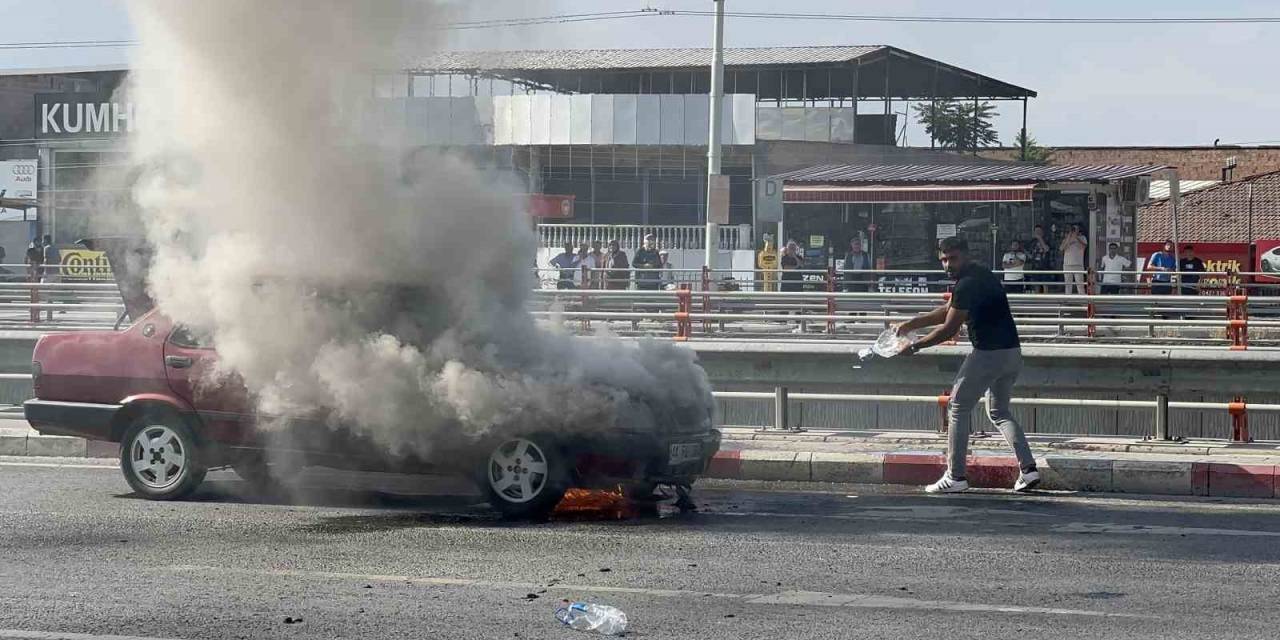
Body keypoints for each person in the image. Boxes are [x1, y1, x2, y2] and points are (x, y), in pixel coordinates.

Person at [894, 236, 1039, 494]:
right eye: (943, 260)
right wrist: (910, 324)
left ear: (965, 255)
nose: (947, 264)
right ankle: (1028, 470)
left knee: (957, 406)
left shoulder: (967, 284)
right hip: (1012, 353)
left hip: (988, 354)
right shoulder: (980, 275)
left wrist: (915, 346)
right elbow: (947, 310)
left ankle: (956, 476)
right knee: (999, 412)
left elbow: (949, 328)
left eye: (952, 258)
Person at [1059, 224, 1087, 295]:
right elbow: (1061, 248)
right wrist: (1069, 236)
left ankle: (1082, 301)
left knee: (1080, 284)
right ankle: (1068, 300)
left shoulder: (1082, 238)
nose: (1074, 230)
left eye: (1076, 229)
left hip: (1078, 264)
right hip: (1067, 265)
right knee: (1068, 285)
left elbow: (1084, 246)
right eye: (1073, 229)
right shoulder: (1066, 238)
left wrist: (1076, 237)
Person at [1025, 225, 1052, 293]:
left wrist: (1040, 238)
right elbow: (1031, 255)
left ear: (1042, 232)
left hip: (1044, 266)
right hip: (1035, 266)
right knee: (1036, 284)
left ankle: (1046, 301)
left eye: (1039, 231)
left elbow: (1046, 249)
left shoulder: (1046, 240)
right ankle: (1037, 300)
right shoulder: (1032, 242)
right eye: (1036, 231)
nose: (1037, 232)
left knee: (1045, 284)